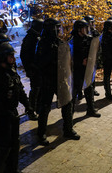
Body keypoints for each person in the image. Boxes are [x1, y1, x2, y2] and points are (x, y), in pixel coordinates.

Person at [0, 42, 34, 173]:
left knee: (14, 144)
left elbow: (19, 89)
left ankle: (12, 169)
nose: (13, 59)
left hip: (11, 113)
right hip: (1, 116)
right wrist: (6, 112)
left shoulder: (11, 71)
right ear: (2, 58)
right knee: (2, 147)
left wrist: (27, 105)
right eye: (10, 56)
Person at [35, 18, 80, 146]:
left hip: (60, 78)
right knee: (45, 107)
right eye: (56, 27)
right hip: (48, 79)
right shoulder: (42, 44)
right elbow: (40, 63)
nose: (59, 30)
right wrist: (52, 53)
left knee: (67, 103)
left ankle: (68, 129)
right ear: (50, 29)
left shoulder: (59, 42)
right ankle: (41, 133)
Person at [71, 20, 101, 117]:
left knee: (89, 88)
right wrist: (80, 62)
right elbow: (69, 57)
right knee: (74, 91)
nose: (87, 30)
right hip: (77, 70)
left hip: (87, 68)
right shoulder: (72, 40)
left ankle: (91, 110)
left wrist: (93, 28)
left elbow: (96, 42)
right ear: (79, 29)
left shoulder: (87, 38)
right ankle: (69, 114)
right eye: (85, 28)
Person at [20, 19, 44, 117]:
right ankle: (31, 110)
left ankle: (36, 108)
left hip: (38, 68)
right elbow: (24, 55)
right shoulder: (30, 38)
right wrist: (29, 68)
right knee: (35, 89)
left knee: (39, 88)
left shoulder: (37, 36)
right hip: (34, 68)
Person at [83, 15, 100, 96]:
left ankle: (92, 89)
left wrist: (94, 30)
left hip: (92, 55)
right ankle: (80, 91)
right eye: (91, 22)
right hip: (84, 57)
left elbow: (97, 39)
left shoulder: (93, 31)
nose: (92, 24)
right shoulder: (82, 31)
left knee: (92, 73)